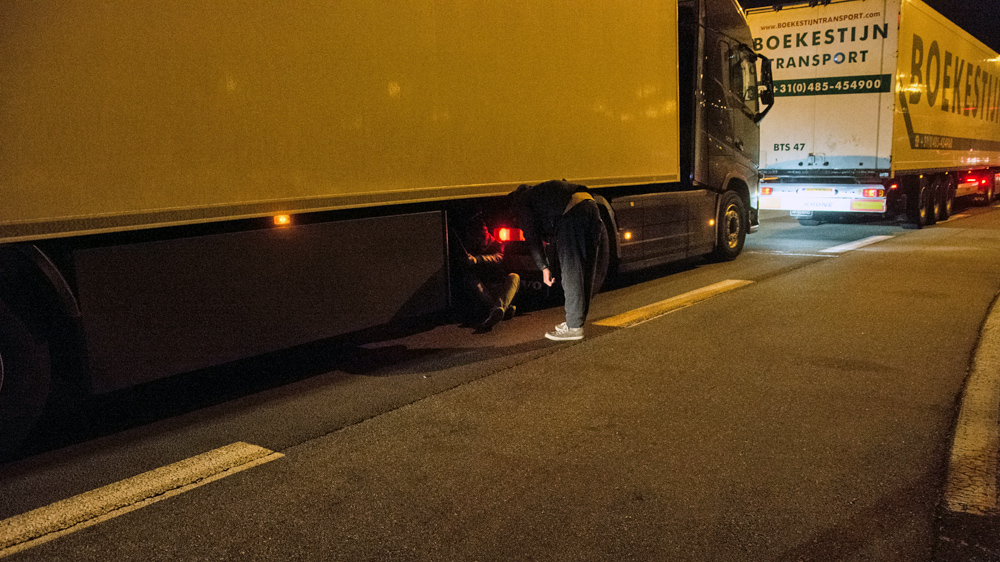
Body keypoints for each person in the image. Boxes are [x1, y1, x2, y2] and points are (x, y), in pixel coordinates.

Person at [510, 180, 607, 341]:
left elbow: (532, 238)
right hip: (591, 205)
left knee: (572, 270)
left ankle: (574, 327)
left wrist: (544, 267)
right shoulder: (540, 193)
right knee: (587, 268)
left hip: (571, 213)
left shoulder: (522, 202)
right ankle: (576, 322)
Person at [454, 210, 520, 330]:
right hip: (485, 290)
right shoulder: (472, 248)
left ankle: (497, 309)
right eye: (477, 238)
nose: (480, 240)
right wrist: (466, 261)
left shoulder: (498, 244)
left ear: (486, 232)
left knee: (514, 277)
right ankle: (499, 309)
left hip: (500, 286)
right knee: (470, 279)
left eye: (482, 236)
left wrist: (477, 260)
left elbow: (497, 258)